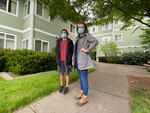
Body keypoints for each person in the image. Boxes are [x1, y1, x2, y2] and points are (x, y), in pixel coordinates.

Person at [74, 23, 98, 106]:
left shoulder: (87, 35)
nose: (80, 28)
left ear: (85, 28)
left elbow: (95, 41)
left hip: (83, 60)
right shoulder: (77, 37)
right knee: (80, 77)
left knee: (84, 78)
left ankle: (85, 97)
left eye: (82, 27)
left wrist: (87, 49)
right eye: (79, 27)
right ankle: (81, 91)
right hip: (77, 60)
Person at [56, 29, 74, 94]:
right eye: (62, 33)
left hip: (67, 60)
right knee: (61, 73)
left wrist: (71, 61)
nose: (64, 34)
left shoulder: (70, 42)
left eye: (65, 33)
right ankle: (61, 85)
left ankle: (66, 87)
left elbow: (72, 52)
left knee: (67, 74)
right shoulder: (58, 41)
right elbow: (57, 51)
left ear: (67, 34)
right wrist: (57, 59)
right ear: (61, 34)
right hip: (60, 60)